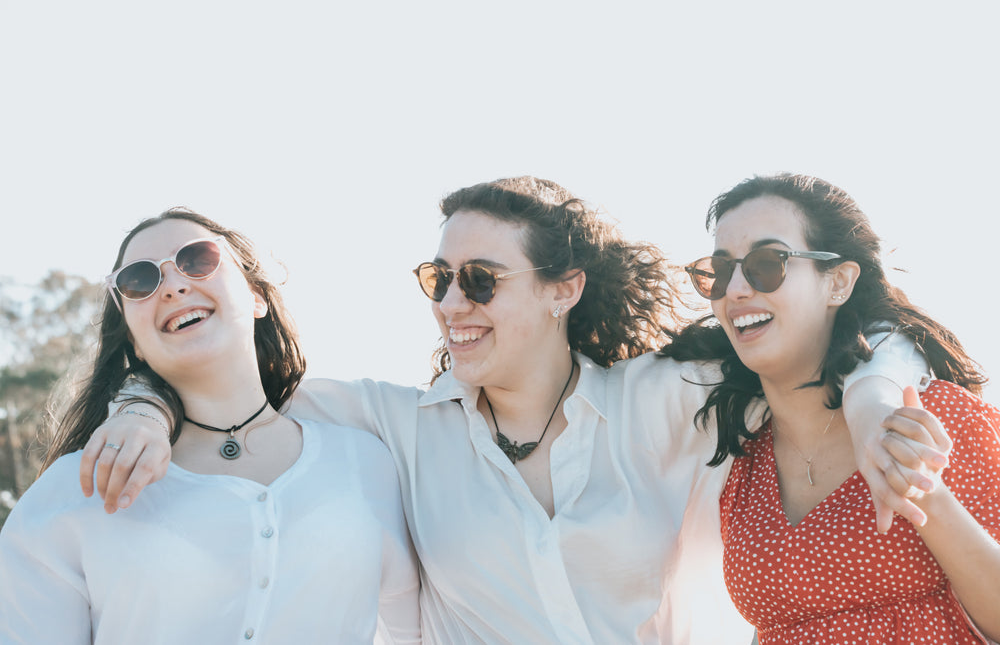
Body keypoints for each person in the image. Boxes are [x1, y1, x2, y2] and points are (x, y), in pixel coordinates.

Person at [80, 178, 929, 644]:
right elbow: (227, 383)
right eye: (437, 278)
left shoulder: (664, 398)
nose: (453, 302)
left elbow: (851, 333)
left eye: (482, 280)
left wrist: (876, 397)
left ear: (564, 290)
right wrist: (140, 403)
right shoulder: (395, 424)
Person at [0, 209, 420, 644]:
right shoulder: (73, 491)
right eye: (140, 281)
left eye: (197, 259)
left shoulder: (367, 463)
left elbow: (417, 633)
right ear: (134, 343)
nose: (175, 287)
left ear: (257, 296)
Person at [662, 173, 1000, 643]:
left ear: (837, 282)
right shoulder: (741, 462)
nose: (735, 289)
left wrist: (923, 490)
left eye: (767, 263)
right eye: (719, 272)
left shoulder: (936, 415)